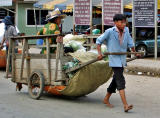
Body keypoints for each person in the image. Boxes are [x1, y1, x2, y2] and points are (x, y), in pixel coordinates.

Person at [96, 14, 140, 112]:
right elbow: (98, 41)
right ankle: (125, 105)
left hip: (122, 59)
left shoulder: (127, 30)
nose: (123, 24)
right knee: (120, 80)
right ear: (115, 22)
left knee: (116, 79)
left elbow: (130, 43)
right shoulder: (109, 32)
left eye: (124, 22)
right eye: (121, 22)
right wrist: (99, 54)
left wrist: (135, 52)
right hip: (114, 59)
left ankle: (106, 98)